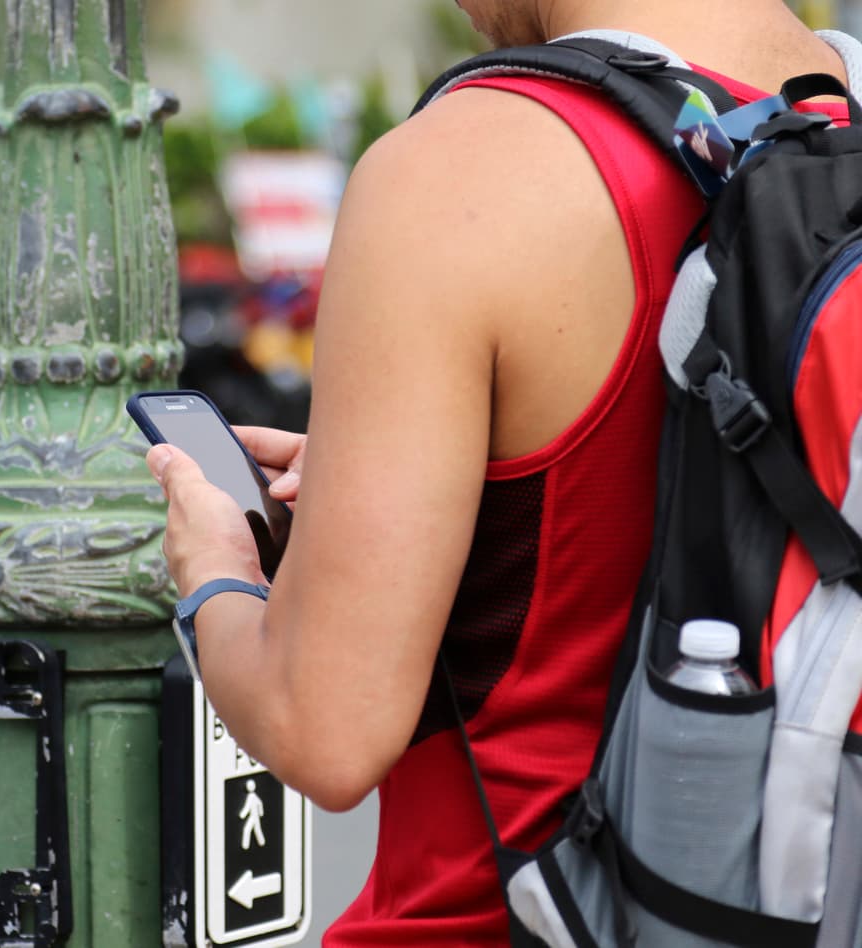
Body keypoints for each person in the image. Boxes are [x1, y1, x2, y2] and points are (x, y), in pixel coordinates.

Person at [147, 1, 855, 943]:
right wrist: (410, 480)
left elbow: (325, 728)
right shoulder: (833, 108)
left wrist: (215, 571)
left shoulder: (463, 167)